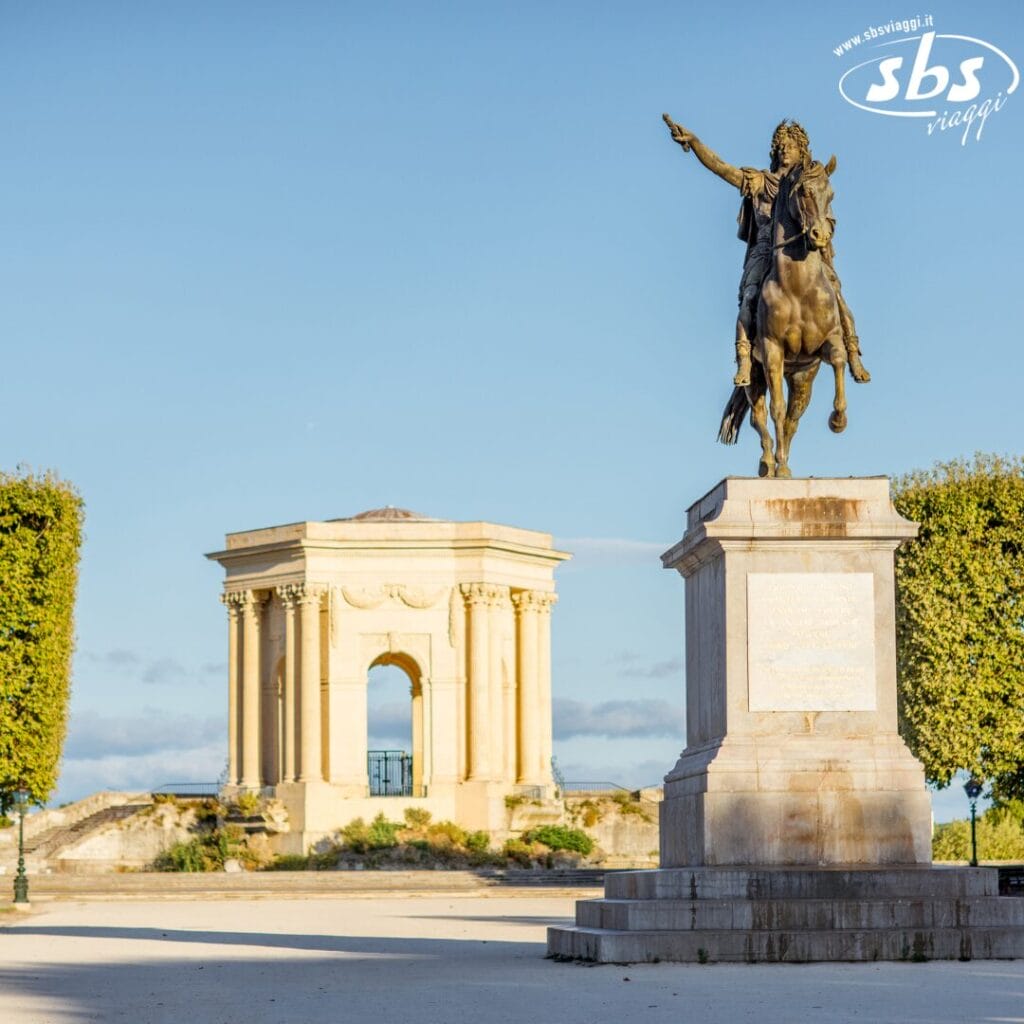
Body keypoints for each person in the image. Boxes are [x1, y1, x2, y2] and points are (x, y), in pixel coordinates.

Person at [663, 116, 870, 385]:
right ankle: (745, 359)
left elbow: (826, 216)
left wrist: (825, 231)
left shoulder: (810, 185)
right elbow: (722, 169)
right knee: (750, 296)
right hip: (765, 249)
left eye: (792, 146)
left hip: (805, 250)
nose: (785, 150)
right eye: (781, 146)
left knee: (835, 290)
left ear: (802, 151)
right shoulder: (761, 182)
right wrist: (696, 143)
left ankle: (852, 351)